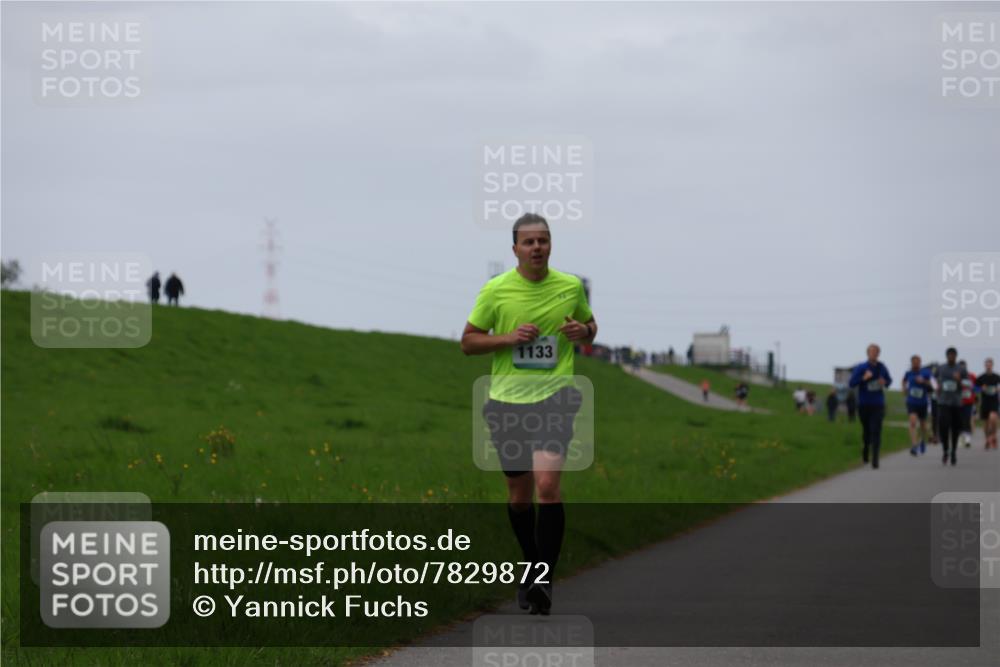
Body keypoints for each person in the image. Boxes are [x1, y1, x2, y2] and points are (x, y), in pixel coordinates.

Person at [461, 213, 596, 616]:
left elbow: (590, 325)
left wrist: (583, 334)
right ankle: (531, 563)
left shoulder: (570, 286)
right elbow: (468, 343)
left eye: (543, 240)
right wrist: (509, 337)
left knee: (547, 486)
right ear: (515, 249)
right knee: (519, 497)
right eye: (529, 242)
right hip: (506, 403)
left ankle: (542, 580)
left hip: (556, 399)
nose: (537, 247)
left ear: (551, 245)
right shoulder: (496, 291)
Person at [848, 344, 892, 469]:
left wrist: (885, 382)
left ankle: (875, 458)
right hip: (864, 404)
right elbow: (852, 383)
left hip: (878, 404)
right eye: (871, 352)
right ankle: (866, 448)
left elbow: (889, 381)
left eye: (876, 352)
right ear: (867, 353)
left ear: (879, 354)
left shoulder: (882, 367)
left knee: (876, 431)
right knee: (867, 431)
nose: (874, 354)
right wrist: (863, 378)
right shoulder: (861, 367)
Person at [935, 347, 968, 466]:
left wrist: (959, 381)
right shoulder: (941, 368)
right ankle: (945, 450)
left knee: (955, 429)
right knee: (944, 427)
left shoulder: (961, 369)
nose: (951, 357)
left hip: (956, 403)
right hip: (943, 402)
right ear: (946, 356)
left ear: (956, 356)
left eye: (953, 355)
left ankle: (953, 451)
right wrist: (936, 387)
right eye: (949, 355)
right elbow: (934, 379)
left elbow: (968, 384)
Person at [902, 354, 932, 456]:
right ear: (911, 363)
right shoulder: (908, 373)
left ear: (920, 362)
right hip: (911, 401)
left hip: (923, 402)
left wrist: (924, 381)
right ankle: (914, 445)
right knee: (913, 422)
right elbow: (904, 381)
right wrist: (904, 388)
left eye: (917, 361)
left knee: (923, 425)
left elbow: (933, 385)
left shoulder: (926, 372)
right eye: (914, 362)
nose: (916, 363)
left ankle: (923, 440)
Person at [975, 358, 999, 450]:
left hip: (994, 401)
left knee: (993, 419)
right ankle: (987, 439)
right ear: (985, 366)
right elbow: (974, 388)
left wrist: (998, 389)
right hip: (985, 402)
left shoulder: (997, 377)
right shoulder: (981, 377)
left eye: (990, 364)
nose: (988, 366)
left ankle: (993, 436)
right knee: (986, 423)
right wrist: (981, 388)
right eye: (987, 364)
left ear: (992, 365)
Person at [959, 360, 977, 448]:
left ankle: (967, 439)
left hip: (969, 402)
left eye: (964, 367)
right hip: (958, 402)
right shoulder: (956, 377)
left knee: (967, 419)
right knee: (958, 420)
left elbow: (977, 387)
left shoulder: (972, 376)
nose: (963, 369)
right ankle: (959, 438)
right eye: (961, 367)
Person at [928, 363, 941, 445]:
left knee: (938, 419)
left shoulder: (941, 379)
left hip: (941, 402)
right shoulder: (931, 380)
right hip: (933, 401)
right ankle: (934, 435)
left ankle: (937, 436)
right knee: (934, 418)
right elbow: (928, 390)